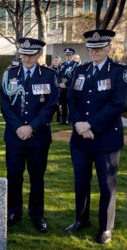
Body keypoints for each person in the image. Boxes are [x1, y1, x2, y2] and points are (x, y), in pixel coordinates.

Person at [65, 29, 127, 244]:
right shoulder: (80, 70)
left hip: (106, 139)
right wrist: (79, 124)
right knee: (81, 182)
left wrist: (90, 124)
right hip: (80, 138)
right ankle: (81, 219)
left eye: (99, 48)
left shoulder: (119, 71)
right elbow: (71, 99)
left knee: (106, 184)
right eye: (91, 48)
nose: (94, 52)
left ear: (108, 48)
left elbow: (118, 103)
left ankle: (105, 227)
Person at [0, 38, 59, 232]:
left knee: (37, 177)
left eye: (31, 54)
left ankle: (36, 213)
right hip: (14, 136)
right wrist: (19, 127)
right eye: (24, 54)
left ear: (38, 55)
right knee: (14, 175)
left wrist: (31, 128)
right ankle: (14, 211)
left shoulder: (49, 75)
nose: (27, 58)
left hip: (38, 137)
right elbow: (5, 105)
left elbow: (50, 106)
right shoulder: (10, 74)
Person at [58, 48, 78, 124]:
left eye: (69, 55)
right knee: (63, 104)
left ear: (72, 55)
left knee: (71, 104)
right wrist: (60, 83)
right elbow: (58, 75)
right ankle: (63, 119)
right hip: (62, 88)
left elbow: (75, 76)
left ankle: (70, 120)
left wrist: (66, 84)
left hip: (70, 87)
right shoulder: (62, 65)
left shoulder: (75, 64)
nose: (68, 56)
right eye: (67, 55)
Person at [50, 56, 62, 122]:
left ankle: (59, 119)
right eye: (55, 60)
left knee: (59, 105)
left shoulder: (62, 69)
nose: (56, 62)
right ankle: (50, 118)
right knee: (52, 104)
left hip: (60, 89)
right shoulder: (49, 69)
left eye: (57, 61)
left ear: (59, 62)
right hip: (52, 89)